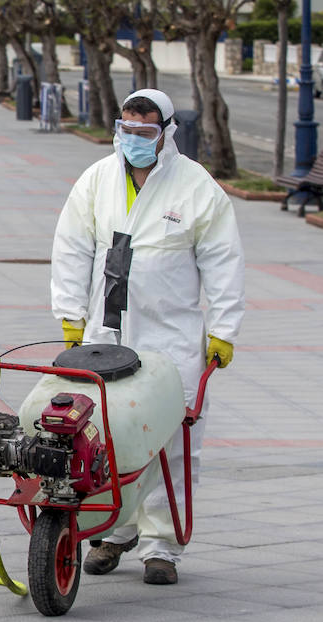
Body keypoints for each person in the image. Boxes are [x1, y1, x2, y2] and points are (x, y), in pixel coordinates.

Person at [50, 88, 245, 586]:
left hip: (172, 335)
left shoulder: (196, 187)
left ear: (167, 133)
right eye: (127, 130)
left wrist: (223, 328)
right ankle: (114, 532)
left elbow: (222, 259)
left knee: (174, 441)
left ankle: (162, 546)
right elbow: (73, 246)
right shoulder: (98, 179)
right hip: (106, 333)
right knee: (105, 435)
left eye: (145, 132)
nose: (134, 140)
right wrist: (71, 314)